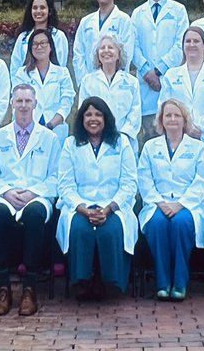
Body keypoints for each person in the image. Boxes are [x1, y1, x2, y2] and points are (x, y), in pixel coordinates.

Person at [0, 84, 62, 316]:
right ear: (12, 104)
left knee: (34, 214)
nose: (24, 106)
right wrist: (6, 192)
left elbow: (56, 177)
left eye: (28, 101)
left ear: (35, 104)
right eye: (19, 101)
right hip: (6, 194)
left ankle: (29, 287)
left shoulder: (49, 138)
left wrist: (34, 193)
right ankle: (3, 286)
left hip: (36, 195)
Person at [57, 97, 138, 300]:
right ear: (81, 119)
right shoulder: (70, 144)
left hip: (113, 204)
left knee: (110, 230)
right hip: (80, 204)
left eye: (98, 114)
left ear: (106, 118)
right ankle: (82, 282)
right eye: (88, 115)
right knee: (80, 229)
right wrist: (83, 209)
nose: (93, 119)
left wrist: (109, 208)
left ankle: (109, 282)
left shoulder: (121, 143)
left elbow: (129, 183)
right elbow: (65, 185)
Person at [138, 98, 204, 301]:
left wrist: (181, 204)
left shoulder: (197, 148)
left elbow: (202, 181)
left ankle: (179, 281)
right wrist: (160, 203)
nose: (172, 119)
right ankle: (163, 283)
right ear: (161, 120)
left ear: (184, 120)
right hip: (157, 203)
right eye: (168, 115)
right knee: (157, 224)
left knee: (181, 223)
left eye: (177, 115)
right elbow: (144, 179)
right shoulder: (150, 147)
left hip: (188, 205)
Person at [131, 0, 189, 131]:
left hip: (169, 76)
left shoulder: (178, 10)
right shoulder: (138, 13)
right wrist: (146, 72)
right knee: (149, 131)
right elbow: (133, 45)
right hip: (145, 82)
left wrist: (159, 70)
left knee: (173, 125)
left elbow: (181, 43)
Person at [158, 27, 204, 137]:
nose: (192, 44)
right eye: (188, 41)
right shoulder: (171, 75)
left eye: (196, 41)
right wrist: (186, 126)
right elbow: (164, 105)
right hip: (180, 134)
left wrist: (200, 126)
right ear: (183, 46)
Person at [11, 28, 75, 145]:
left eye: (43, 43)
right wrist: (31, 127)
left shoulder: (62, 73)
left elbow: (66, 103)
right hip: (27, 129)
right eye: (35, 44)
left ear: (51, 47)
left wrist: (50, 125)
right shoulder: (22, 73)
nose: (39, 47)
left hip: (55, 129)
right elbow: (18, 102)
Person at [77, 34, 141, 143]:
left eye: (111, 47)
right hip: (96, 140)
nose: (106, 51)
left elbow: (135, 112)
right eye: (102, 48)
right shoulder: (87, 81)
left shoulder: (132, 82)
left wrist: (122, 136)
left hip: (124, 140)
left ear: (119, 54)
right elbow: (83, 111)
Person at [71, 0, 135, 80]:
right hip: (88, 79)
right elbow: (78, 52)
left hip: (115, 80)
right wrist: (83, 79)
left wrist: (116, 79)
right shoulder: (86, 21)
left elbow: (127, 53)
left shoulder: (124, 20)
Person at [10, 0, 69, 79]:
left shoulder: (58, 36)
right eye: (35, 8)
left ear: (49, 11)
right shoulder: (23, 37)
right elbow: (15, 66)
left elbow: (61, 65)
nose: (38, 11)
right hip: (26, 83)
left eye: (42, 8)